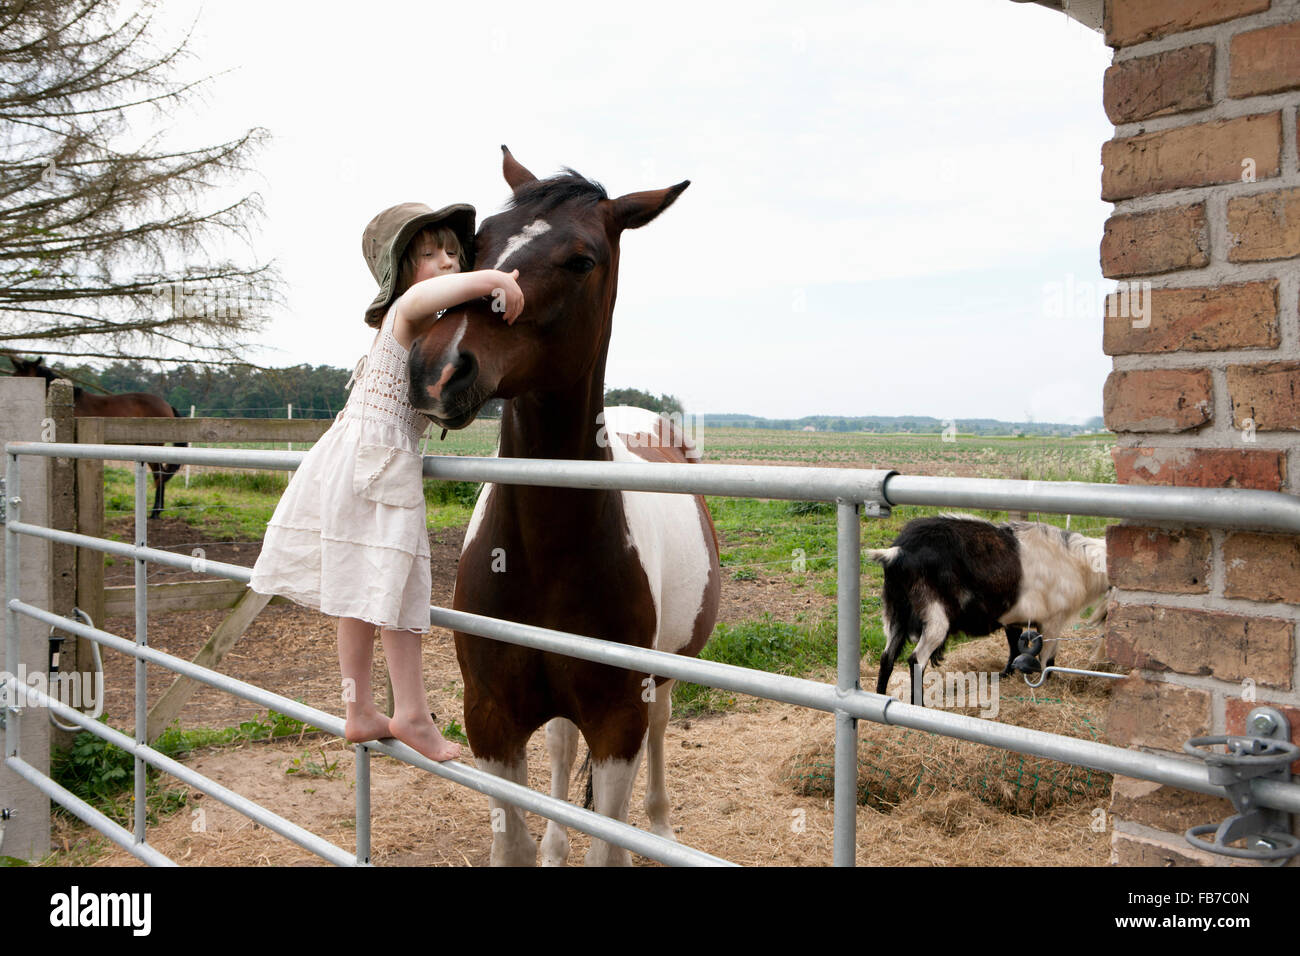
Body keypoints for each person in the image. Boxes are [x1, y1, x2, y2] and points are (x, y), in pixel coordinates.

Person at [249, 201, 524, 761]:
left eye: (453, 251)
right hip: (381, 460)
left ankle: (359, 710)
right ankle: (413, 715)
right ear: (400, 272)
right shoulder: (408, 310)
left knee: (355, 592)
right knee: (400, 595)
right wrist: (494, 277)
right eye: (429, 254)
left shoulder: (427, 328)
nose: (446, 262)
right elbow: (425, 297)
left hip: (356, 456)